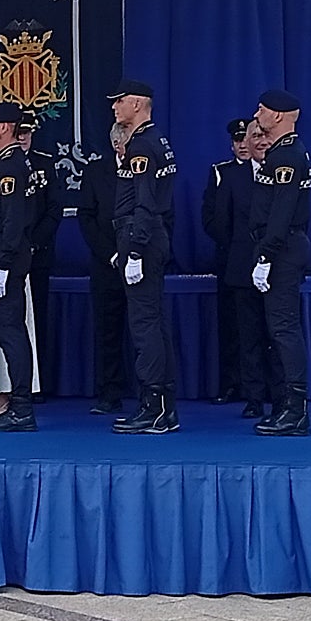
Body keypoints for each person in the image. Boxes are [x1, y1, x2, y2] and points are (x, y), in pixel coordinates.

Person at [108, 80, 180, 434]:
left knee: (144, 324)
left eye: (120, 101)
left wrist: (134, 248)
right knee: (153, 321)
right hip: (146, 235)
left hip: (142, 236)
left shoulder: (142, 145)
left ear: (137, 104)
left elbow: (145, 202)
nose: (114, 107)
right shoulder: (156, 140)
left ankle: (154, 405)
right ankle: (163, 405)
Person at [249, 89, 311, 436]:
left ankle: (296, 409)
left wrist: (266, 255)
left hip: (282, 248)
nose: (256, 114)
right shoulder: (279, 152)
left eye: (262, 109)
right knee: (279, 328)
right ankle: (287, 404)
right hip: (281, 246)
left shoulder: (288, 155)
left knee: (285, 329)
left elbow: (281, 213)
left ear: (277, 115)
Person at [0, 101, 39, 432]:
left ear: (4, 127)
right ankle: (20, 404)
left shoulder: (11, 165)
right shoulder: (1, 161)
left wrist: (3, 264)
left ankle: (22, 407)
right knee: (6, 329)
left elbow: (14, 219)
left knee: (10, 329)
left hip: (4, 252)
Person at [217, 119, 281, 419]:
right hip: (243, 268)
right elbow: (223, 224)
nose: (260, 141)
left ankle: (281, 397)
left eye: (265, 135)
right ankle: (254, 397)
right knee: (249, 337)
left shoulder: (284, 170)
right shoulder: (233, 177)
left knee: (278, 335)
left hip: (279, 268)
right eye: (254, 137)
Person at [76, 123, 129, 415]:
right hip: (106, 265)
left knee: (146, 332)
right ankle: (110, 393)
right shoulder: (96, 171)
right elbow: (86, 217)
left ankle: (151, 393)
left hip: (142, 263)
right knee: (108, 332)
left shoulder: (148, 167)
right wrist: (111, 254)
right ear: (117, 144)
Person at [201, 118, 250, 404]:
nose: (242, 145)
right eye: (237, 140)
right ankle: (231, 383)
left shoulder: (268, 170)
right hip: (230, 257)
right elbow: (210, 216)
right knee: (230, 323)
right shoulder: (220, 172)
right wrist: (230, 242)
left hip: (260, 256)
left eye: (246, 139)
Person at [17, 113, 62, 398]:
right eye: (18, 132)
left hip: (37, 254)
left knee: (38, 318)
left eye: (27, 132)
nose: (23, 137)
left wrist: (33, 243)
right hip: (7, 254)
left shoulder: (44, 163)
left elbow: (54, 209)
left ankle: (38, 384)